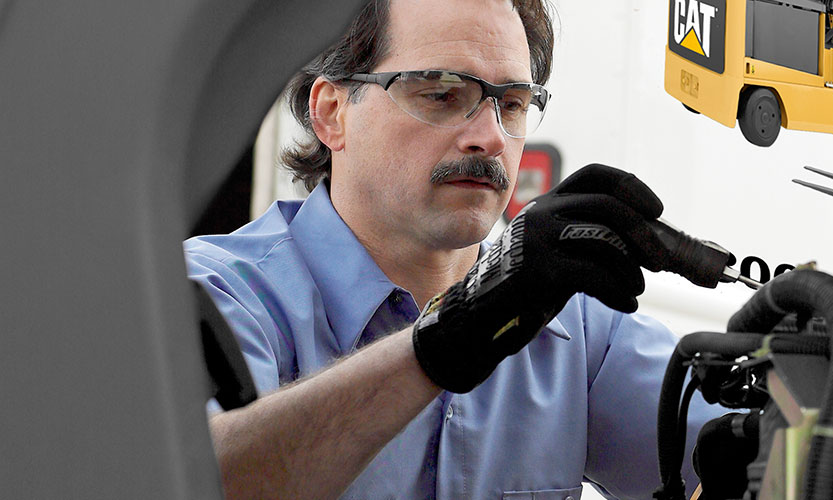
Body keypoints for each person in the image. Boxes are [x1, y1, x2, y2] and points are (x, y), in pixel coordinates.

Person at [184, 0, 720, 498]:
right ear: (331, 113)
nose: (489, 136)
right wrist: (449, 340)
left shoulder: (571, 323)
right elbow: (193, 476)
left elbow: (742, 458)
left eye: (511, 104)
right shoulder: (216, 293)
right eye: (442, 94)